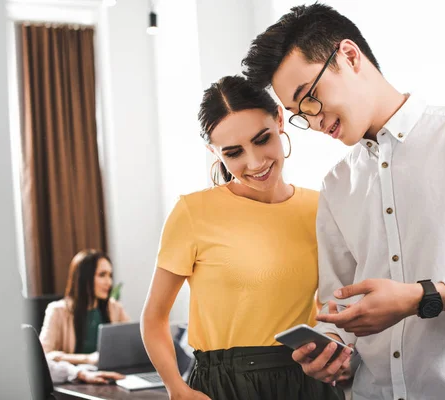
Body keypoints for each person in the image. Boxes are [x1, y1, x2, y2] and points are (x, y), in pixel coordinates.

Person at [241, 3, 445, 400]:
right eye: (298, 114)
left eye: (310, 98)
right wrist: (331, 351)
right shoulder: (337, 184)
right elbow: (338, 307)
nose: (315, 120)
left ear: (350, 56)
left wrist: (425, 296)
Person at [140, 75, 347, 400]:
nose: (255, 162)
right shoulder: (193, 212)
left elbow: (330, 306)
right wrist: (176, 388)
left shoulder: (319, 207)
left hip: (305, 382)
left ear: (280, 119)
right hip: (224, 385)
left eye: (262, 139)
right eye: (233, 152)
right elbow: (154, 317)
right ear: (213, 151)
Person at [40, 249, 130, 365]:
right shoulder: (57, 311)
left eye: (110, 275)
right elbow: (44, 355)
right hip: (75, 379)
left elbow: (130, 345)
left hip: (110, 374)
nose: (109, 282)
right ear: (84, 277)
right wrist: (87, 359)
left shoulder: (115, 308)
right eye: (102, 275)